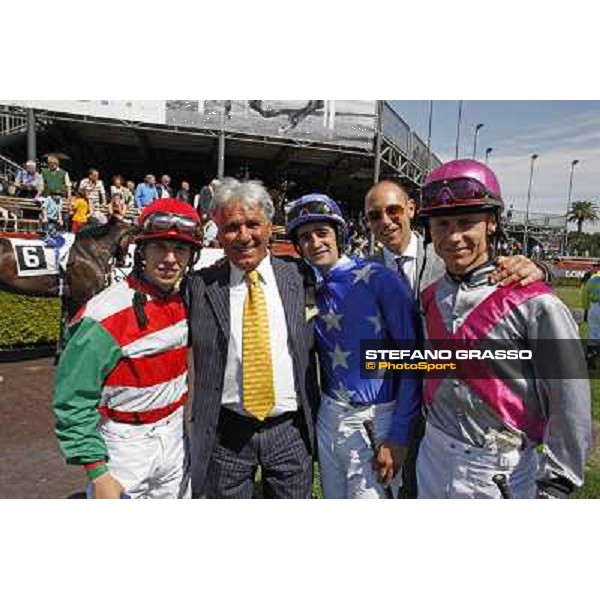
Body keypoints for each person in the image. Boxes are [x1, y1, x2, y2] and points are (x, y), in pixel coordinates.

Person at [416, 159, 592, 499]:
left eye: (467, 222)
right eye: (442, 224)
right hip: (432, 457)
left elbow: (570, 399)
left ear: (492, 223)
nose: (453, 236)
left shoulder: (536, 303)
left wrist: (557, 482)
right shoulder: (428, 298)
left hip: (499, 473)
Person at [364, 178, 549, 498]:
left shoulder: (449, 251)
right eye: (375, 215)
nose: (386, 221)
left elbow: (515, 285)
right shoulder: (365, 270)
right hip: (394, 396)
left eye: (393, 210)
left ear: (411, 209)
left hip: (462, 408)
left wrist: (541, 269)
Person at [53, 198, 203, 499]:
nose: (170, 258)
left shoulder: (187, 301)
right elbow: (72, 401)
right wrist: (98, 471)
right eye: (160, 247)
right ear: (142, 250)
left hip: (176, 436)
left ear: (191, 257)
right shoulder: (102, 315)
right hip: (124, 448)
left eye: (181, 249)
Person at [186, 178, 319, 498]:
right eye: (232, 227)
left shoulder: (301, 276)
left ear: (270, 228)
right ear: (218, 233)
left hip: (290, 431)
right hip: (227, 434)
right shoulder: (198, 286)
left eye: (252, 224)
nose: (244, 235)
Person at [286, 194, 421, 498]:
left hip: (375, 420)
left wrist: (398, 434)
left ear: (339, 235)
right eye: (305, 237)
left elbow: (413, 360)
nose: (315, 243)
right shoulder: (309, 287)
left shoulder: (379, 278)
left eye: (322, 233)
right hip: (329, 418)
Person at [581, 268, 600, 369]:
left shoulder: (591, 280)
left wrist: (586, 310)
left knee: (594, 333)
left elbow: (585, 296)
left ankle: (590, 356)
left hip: (594, 307)